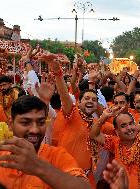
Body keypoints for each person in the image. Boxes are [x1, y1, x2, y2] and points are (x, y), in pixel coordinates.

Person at [39, 53, 114, 188]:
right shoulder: (73, 114)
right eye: (86, 99)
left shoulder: (100, 125)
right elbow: (64, 96)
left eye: (94, 100)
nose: (90, 101)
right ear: (79, 102)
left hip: (87, 179)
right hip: (63, 177)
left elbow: (119, 129)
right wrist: (57, 72)